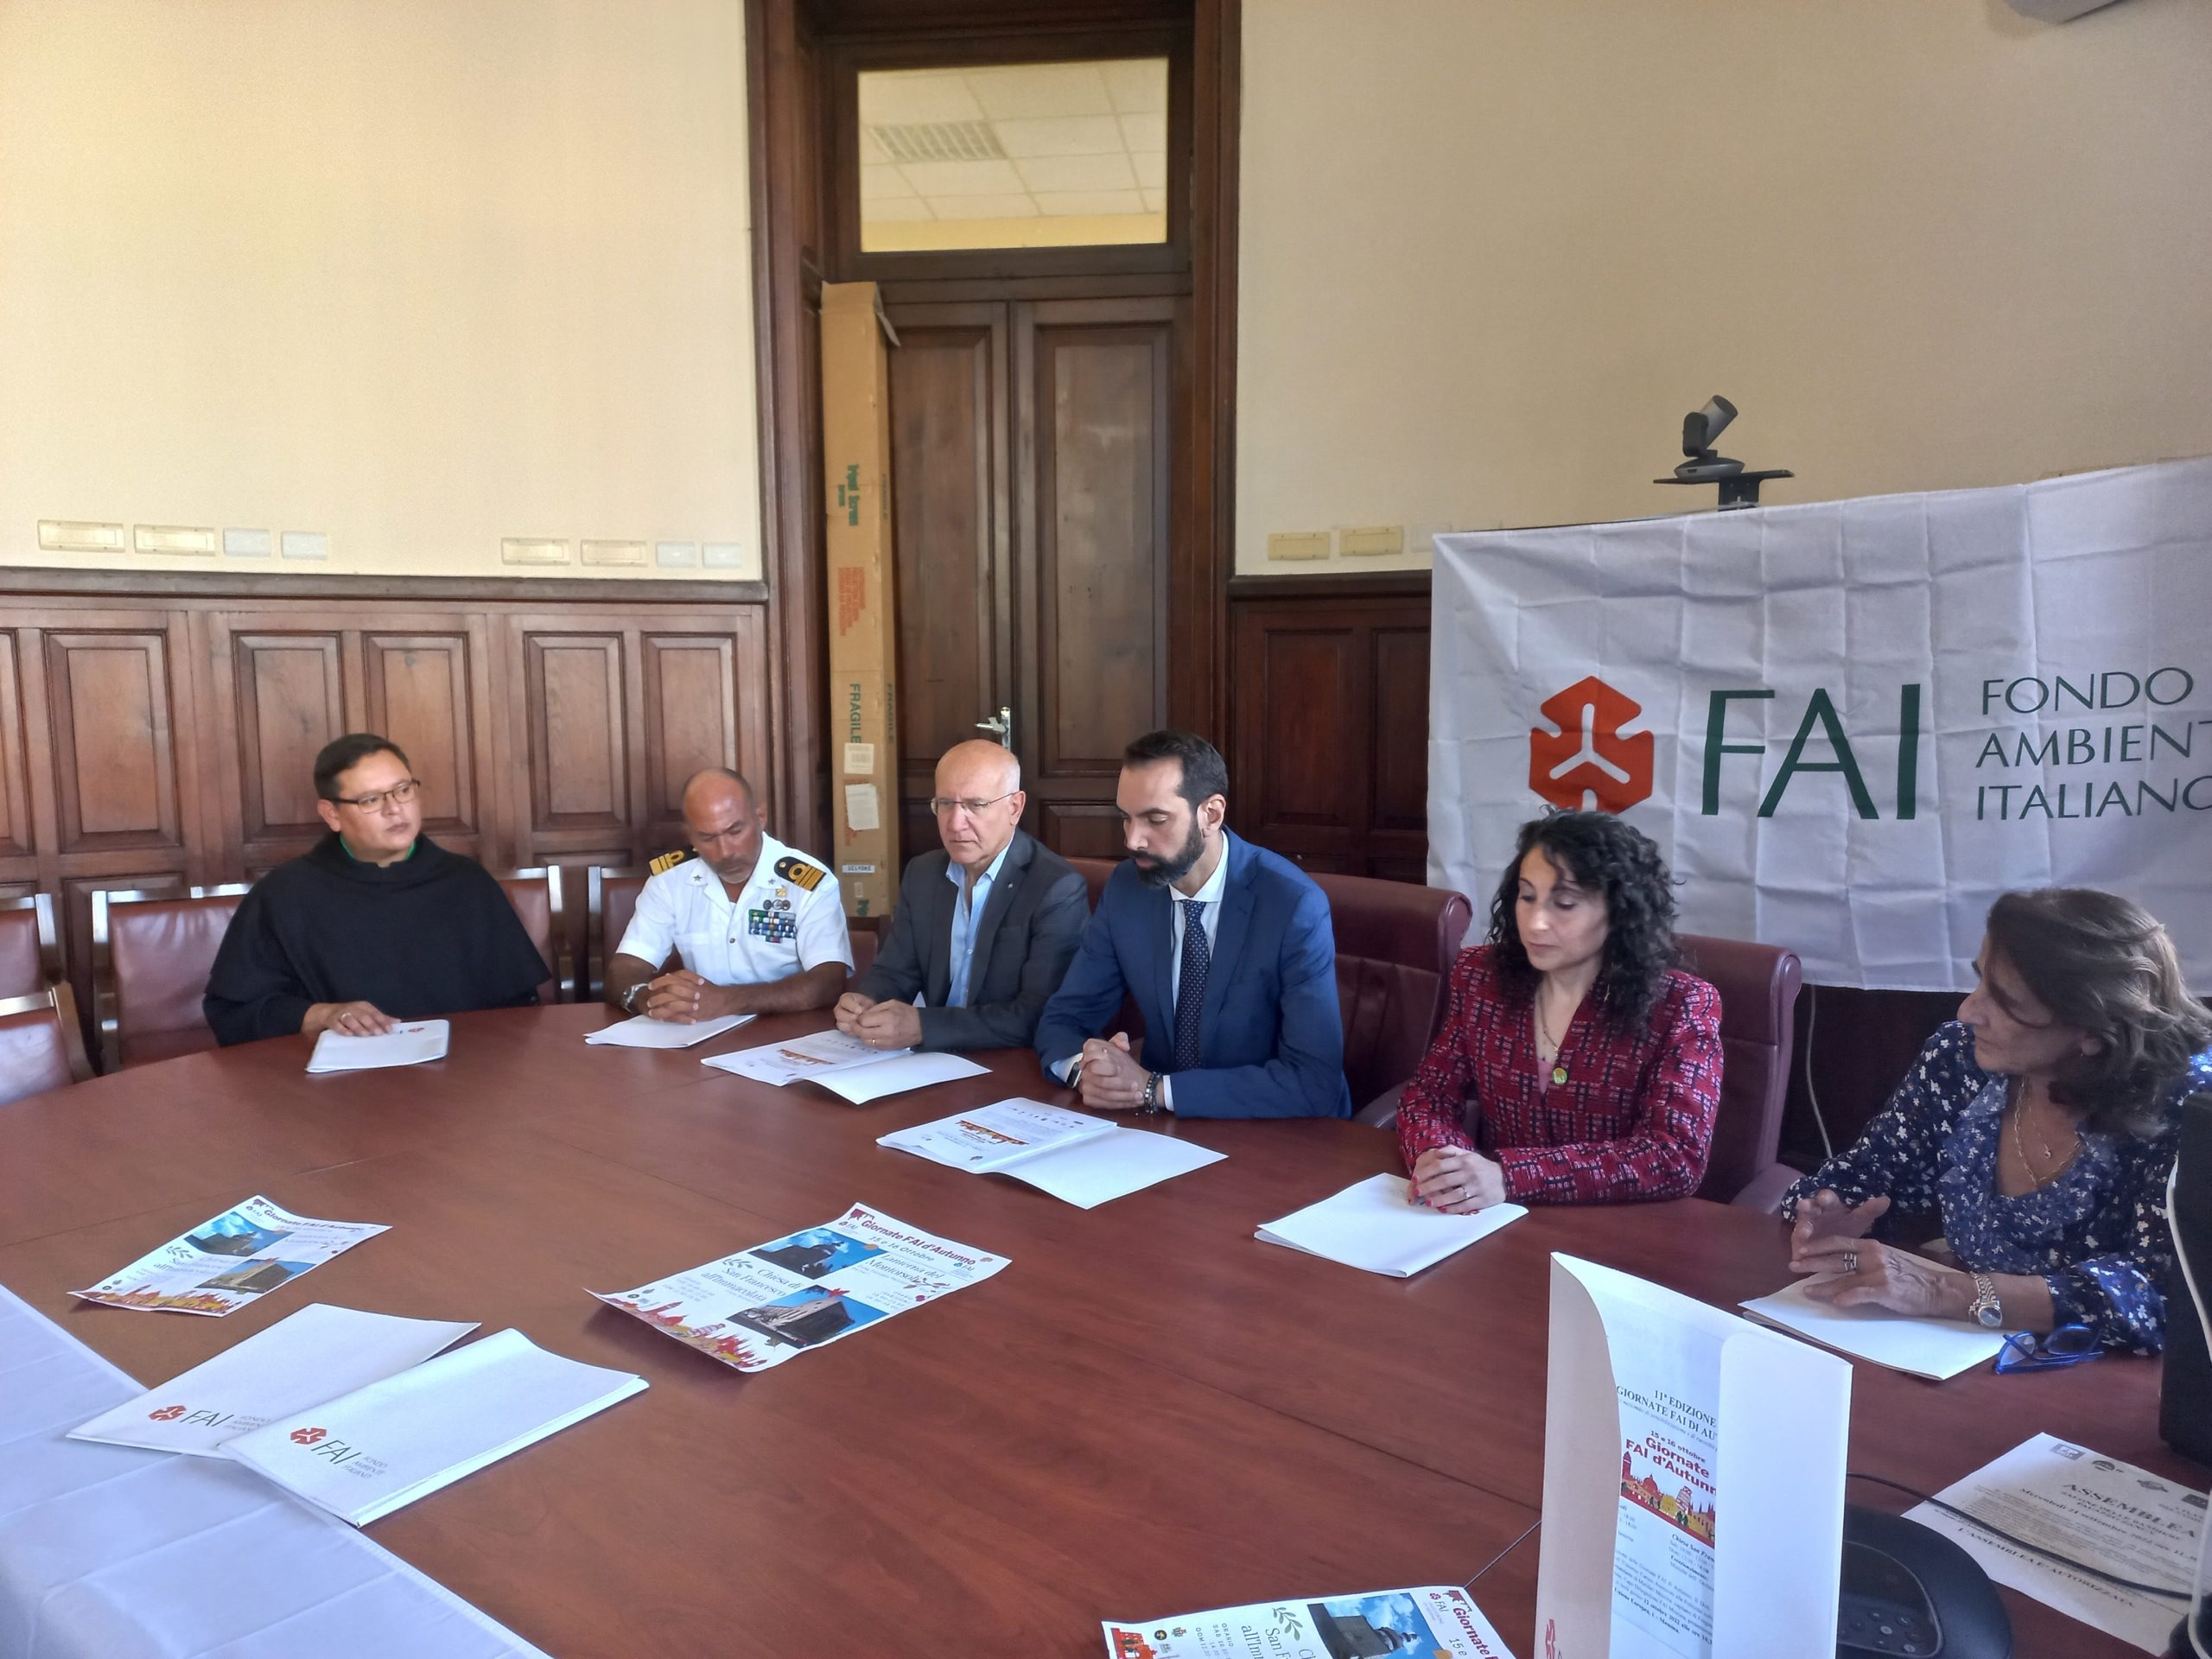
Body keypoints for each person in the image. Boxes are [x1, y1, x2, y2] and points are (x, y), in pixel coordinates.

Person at [1784, 888, 2212, 1353]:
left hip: (2109, 1378)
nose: (1967, 1010)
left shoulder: (2192, 1104)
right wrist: (1833, 1217)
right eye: (1980, 980)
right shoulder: (1959, 1059)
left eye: (2005, 1000)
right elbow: (1869, 1175)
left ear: (2092, 1030)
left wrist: (1947, 1292)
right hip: (1958, 1352)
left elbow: (2165, 1294)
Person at [1395, 810, 1722, 1208]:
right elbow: (1429, 1095)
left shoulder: (1681, 1004)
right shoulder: (1482, 978)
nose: (1536, 923)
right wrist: (1441, 1160)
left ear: (1620, 911)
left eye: (1564, 903)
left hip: (1616, 1227)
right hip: (1490, 1219)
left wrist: (1509, 1175)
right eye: (1527, 896)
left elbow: (1675, 1155)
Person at [1033, 730, 1350, 1120]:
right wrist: (1086, 1073)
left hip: (1276, 1130)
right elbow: (1065, 1017)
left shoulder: (1292, 905)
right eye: (1126, 818)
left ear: (1211, 815)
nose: (1133, 841)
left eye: (1156, 819)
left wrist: (1152, 1089)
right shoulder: (1128, 889)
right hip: (1163, 1128)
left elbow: (1313, 1081)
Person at [203, 734, 550, 1045]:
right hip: (339, 1084)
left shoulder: (468, 884)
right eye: (370, 800)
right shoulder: (284, 896)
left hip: (464, 1072)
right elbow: (236, 1015)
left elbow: (517, 1008)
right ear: (332, 814)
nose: (394, 809)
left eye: (403, 790)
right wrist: (323, 1015)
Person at [833, 740, 1087, 1052]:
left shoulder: (1056, 888)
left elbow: (1037, 1014)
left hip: (1010, 1060)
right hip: (933, 1061)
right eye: (945, 803)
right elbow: (895, 971)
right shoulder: (923, 873)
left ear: (1014, 807)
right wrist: (866, 1001)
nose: (955, 823)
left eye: (975, 805)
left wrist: (923, 1027)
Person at [606, 767, 850, 1022]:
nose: (725, 852)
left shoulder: (808, 881)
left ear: (760, 817)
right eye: (707, 837)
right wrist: (646, 998)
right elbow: (625, 967)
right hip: (699, 1031)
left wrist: (728, 1000)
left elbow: (828, 982)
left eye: (735, 832)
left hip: (787, 1031)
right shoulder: (670, 879)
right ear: (690, 836)